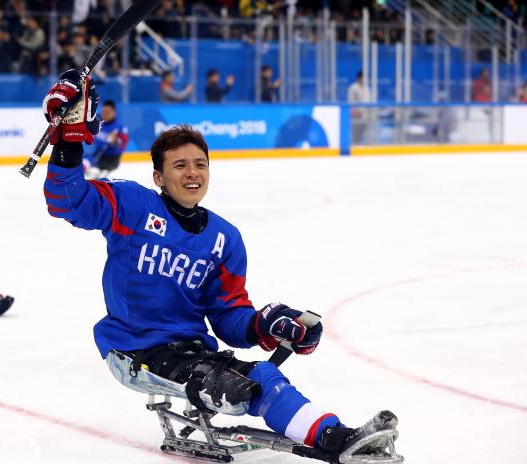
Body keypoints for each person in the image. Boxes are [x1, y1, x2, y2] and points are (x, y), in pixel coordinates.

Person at [40, 70, 401, 461]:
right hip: (135, 348)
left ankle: (337, 438)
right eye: (179, 166)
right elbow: (67, 201)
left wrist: (268, 323)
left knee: (263, 378)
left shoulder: (224, 239)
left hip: (192, 351)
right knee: (227, 384)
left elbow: (228, 314)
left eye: (200, 163)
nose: (192, 172)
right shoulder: (133, 205)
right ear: (159, 176)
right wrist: (67, 145)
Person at [82, 100, 129, 179]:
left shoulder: (119, 127)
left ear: (114, 112)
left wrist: (116, 141)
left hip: (110, 158)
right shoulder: (95, 119)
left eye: (108, 112)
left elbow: (123, 143)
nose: (105, 114)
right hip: (94, 153)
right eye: (104, 111)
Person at [347, 71, 371, 144]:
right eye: (363, 78)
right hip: (357, 116)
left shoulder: (366, 88)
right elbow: (351, 101)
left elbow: (368, 101)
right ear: (359, 78)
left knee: (364, 134)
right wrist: (355, 111)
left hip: (365, 116)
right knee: (356, 134)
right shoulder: (353, 88)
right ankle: (355, 147)